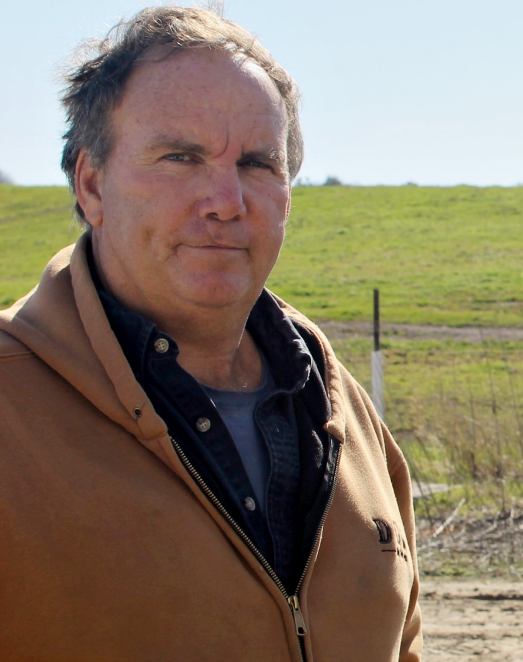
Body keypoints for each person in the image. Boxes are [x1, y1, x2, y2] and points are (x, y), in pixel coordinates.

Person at [0, 8, 420, 661]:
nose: (225, 200)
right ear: (91, 183)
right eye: (180, 157)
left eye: (256, 163)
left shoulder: (346, 416)